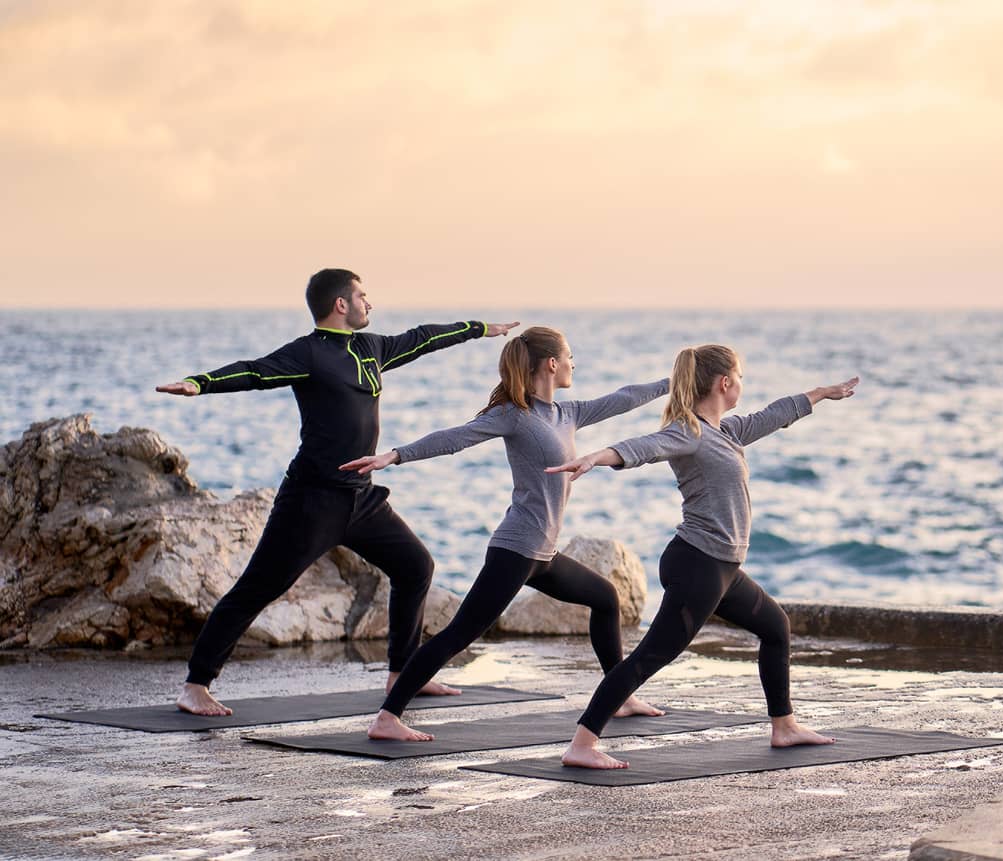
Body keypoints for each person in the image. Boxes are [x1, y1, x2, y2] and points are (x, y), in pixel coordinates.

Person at [155, 268, 517, 716]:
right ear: (340, 304)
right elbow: (254, 371)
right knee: (259, 587)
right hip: (312, 500)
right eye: (363, 295)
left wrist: (480, 330)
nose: (370, 303)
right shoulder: (307, 353)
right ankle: (196, 685)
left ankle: (401, 674)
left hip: (361, 498)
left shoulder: (372, 347)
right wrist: (200, 383)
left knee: (415, 565)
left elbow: (423, 337)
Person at [340, 326, 669, 741]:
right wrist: (395, 456)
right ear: (551, 363)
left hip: (542, 555)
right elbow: (455, 438)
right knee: (460, 633)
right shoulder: (515, 415)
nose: (573, 363)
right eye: (569, 356)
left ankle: (619, 697)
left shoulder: (567, 414)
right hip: (516, 549)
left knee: (605, 598)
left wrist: (670, 384)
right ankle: (388, 716)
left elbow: (621, 399)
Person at [545, 344, 858, 768]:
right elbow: (643, 446)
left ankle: (784, 726)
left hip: (722, 568)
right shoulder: (688, 432)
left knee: (775, 627)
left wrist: (819, 394)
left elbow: (772, 416)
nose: (743, 384)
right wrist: (597, 458)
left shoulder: (725, 432)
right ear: (724, 382)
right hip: (698, 564)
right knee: (652, 655)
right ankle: (581, 744)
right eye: (741, 376)